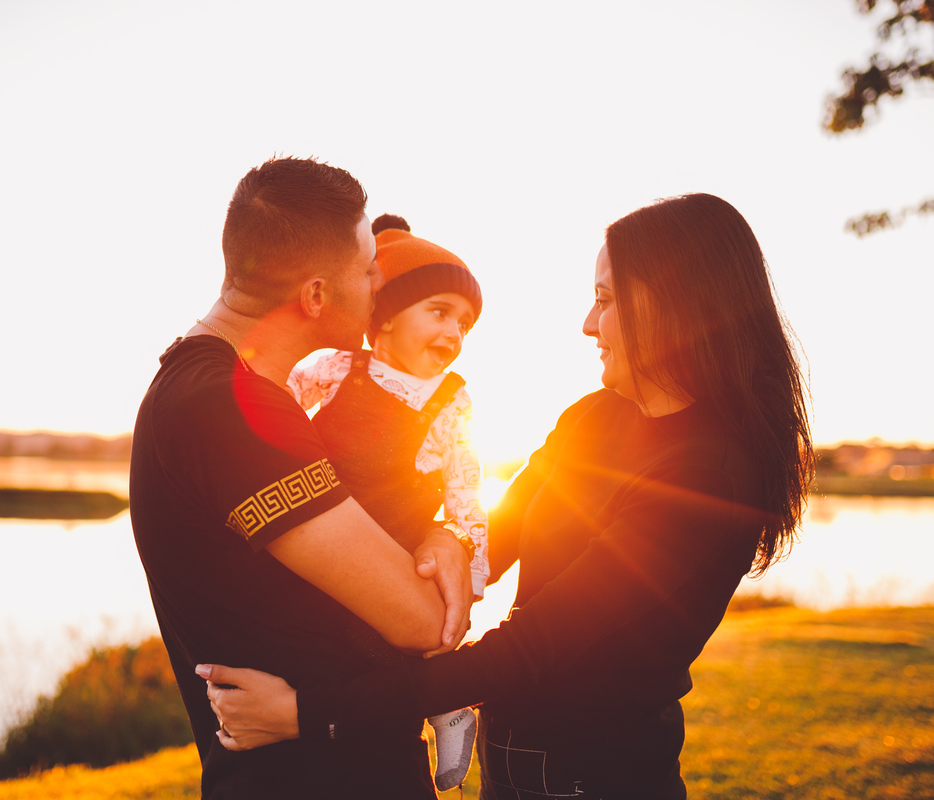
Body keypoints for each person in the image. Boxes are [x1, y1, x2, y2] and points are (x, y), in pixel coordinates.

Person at [200, 193, 815, 800]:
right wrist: (445, 536)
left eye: (605, 299)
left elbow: (534, 648)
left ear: (676, 305)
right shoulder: (595, 417)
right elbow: (498, 530)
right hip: (518, 754)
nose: (587, 324)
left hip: (591, 775)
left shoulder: (707, 475)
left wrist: (311, 712)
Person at [128, 156, 475, 799]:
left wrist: (444, 534)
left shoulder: (207, 387)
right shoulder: (231, 408)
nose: (380, 283)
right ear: (315, 294)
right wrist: (444, 552)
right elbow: (425, 620)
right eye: (367, 267)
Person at [287, 213, 489, 790]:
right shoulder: (334, 368)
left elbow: (465, 487)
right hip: (329, 533)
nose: (454, 333)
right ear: (388, 314)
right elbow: (278, 409)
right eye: (440, 312)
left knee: (387, 644)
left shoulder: (451, 401)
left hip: (399, 547)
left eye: (466, 324)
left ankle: (445, 700)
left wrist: (467, 574)